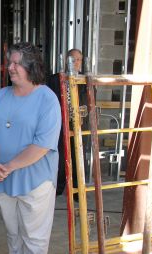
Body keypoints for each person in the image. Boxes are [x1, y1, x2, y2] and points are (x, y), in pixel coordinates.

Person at [0, 42, 61, 254]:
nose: (10, 67)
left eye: (16, 63)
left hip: (34, 179)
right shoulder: (2, 95)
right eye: (10, 62)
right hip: (2, 176)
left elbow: (42, 145)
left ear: (31, 67)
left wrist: (9, 166)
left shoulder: (47, 98)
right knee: (13, 229)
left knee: (34, 234)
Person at [47, 49, 88, 196]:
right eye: (73, 59)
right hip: (58, 123)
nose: (76, 63)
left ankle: (77, 191)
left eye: (79, 60)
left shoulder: (84, 80)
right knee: (59, 155)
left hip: (77, 123)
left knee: (78, 156)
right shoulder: (54, 79)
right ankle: (57, 187)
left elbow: (88, 103)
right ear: (66, 61)